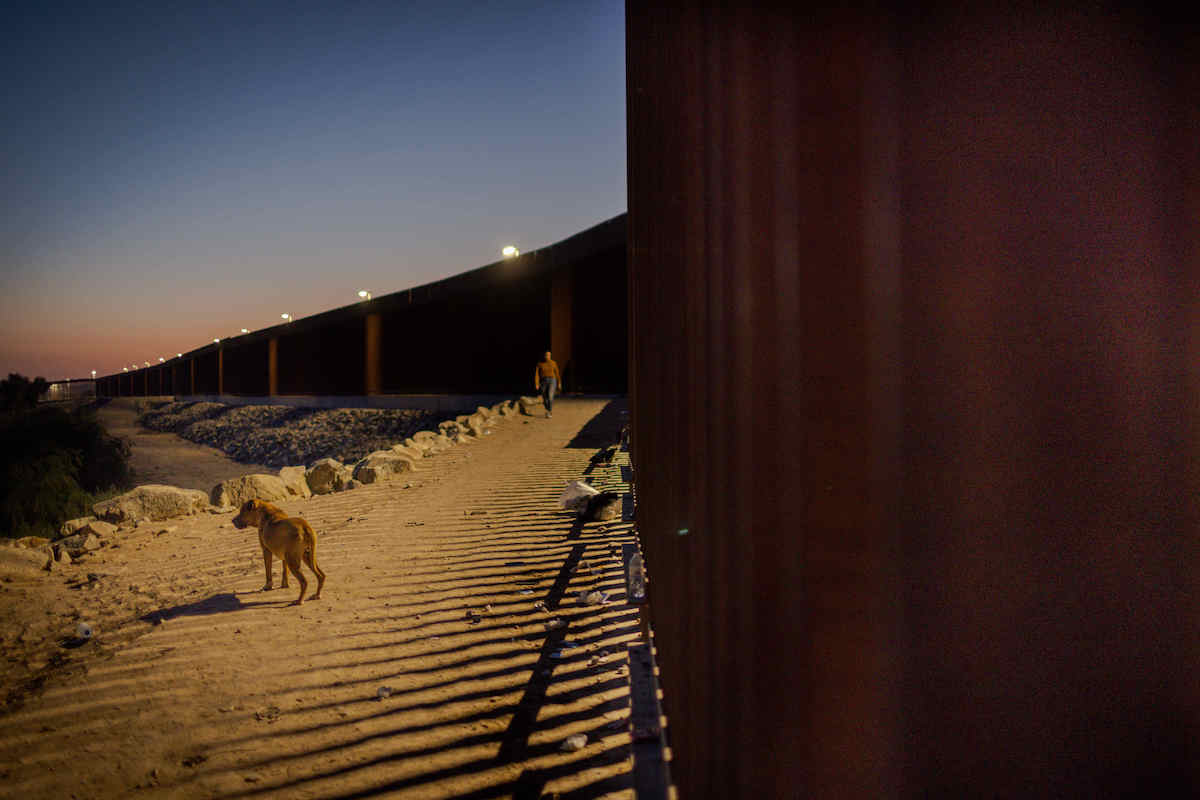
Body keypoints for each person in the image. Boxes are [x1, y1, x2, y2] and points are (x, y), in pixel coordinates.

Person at [534, 351, 561, 418]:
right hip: (543, 381)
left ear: (550, 356)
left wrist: (559, 382)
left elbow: (557, 373)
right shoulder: (540, 364)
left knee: (550, 396)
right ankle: (547, 409)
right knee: (545, 397)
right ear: (544, 356)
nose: (547, 356)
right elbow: (537, 374)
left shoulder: (553, 363)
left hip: (552, 380)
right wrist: (537, 383)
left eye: (549, 355)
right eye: (546, 355)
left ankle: (549, 411)